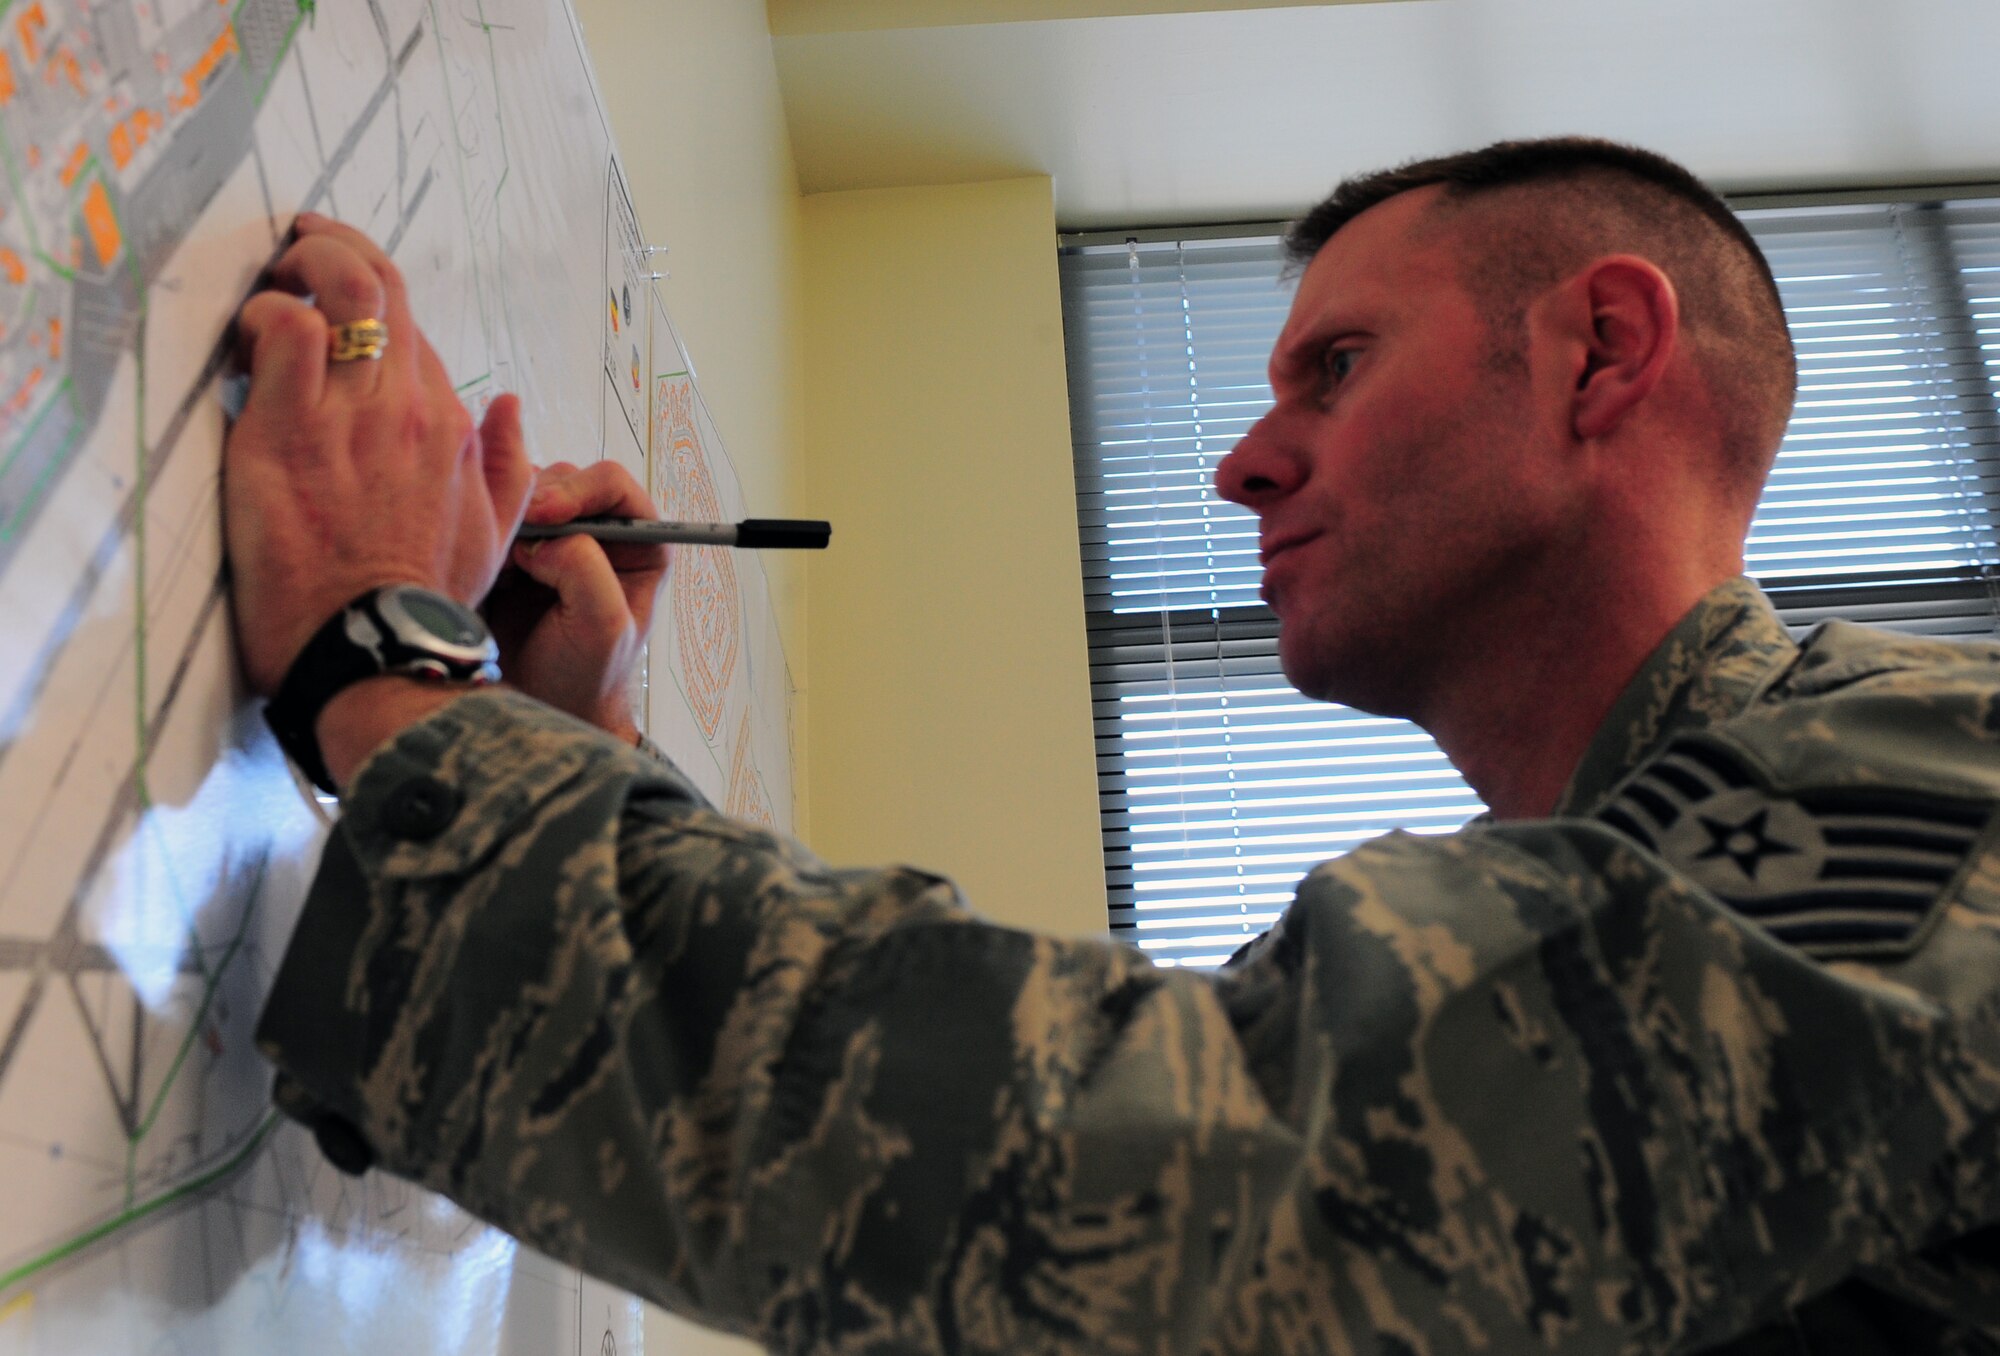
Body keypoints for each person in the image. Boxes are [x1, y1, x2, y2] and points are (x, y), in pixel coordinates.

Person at [234, 138, 2000, 1355]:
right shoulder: (1619, 898)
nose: (1241, 461)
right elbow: (1001, 1174)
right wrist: (570, 738)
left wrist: (389, 657)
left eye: (1336, 368)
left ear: (1602, 351)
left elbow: (1158, 1179)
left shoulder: (1952, 776)